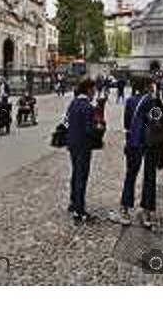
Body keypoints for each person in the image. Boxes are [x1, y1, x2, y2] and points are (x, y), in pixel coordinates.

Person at [118, 76, 163, 229]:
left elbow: (127, 124)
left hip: (134, 143)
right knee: (149, 177)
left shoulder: (130, 101)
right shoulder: (152, 101)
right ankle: (146, 212)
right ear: (147, 87)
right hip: (150, 144)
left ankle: (125, 209)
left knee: (131, 175)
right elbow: (160, 121)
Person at [66, 78, 97, 223]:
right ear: (89, 89)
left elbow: (67, 121)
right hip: (83, 145)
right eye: (94, 89)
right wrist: (99, 128)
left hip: (72, 143)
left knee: (75, 173)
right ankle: (80, 210)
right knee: (81, 176)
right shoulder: (88, 107)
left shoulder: (73, 103)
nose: (95, 92)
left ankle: (73, 202)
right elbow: (89, 130)